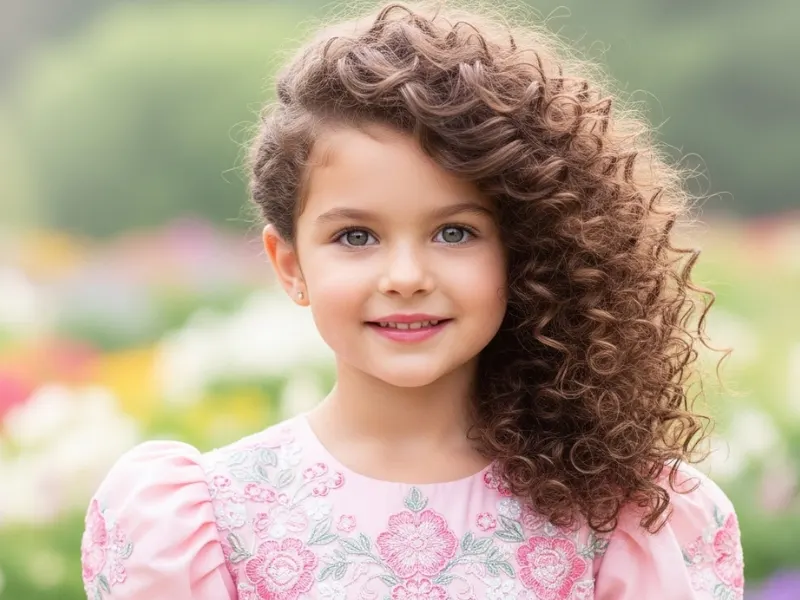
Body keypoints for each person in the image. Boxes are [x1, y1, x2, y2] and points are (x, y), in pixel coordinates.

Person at [79, 2, 744, 598]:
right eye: (356, 235)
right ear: (290, 264)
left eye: (454, 232)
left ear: (527, 250)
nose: (405, 275)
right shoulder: (208, 521)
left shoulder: (624, 517)